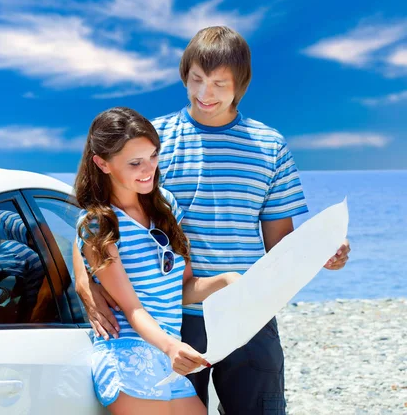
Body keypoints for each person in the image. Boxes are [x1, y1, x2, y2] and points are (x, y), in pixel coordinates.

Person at [74, 26, 351, 414]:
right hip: (171, 317)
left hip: (249, 309)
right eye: (196, 80)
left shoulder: (270, 147)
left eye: (220, 83)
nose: (206, 94)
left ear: (241, 84)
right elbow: (97, 218)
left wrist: (321, 250)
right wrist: (86, 282)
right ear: (184, 75)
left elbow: (281, 244)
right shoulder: (154, 142)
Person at [74, 106, 240, 414]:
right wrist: (170, 346)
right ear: (102, 163)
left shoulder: (166, 207)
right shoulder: (98, 225)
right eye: (135, 162)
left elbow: (183, 287)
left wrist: (226, 281)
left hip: (169, 357)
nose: (148, 168)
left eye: (153, 155)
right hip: (129, 357)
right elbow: (133, 308)